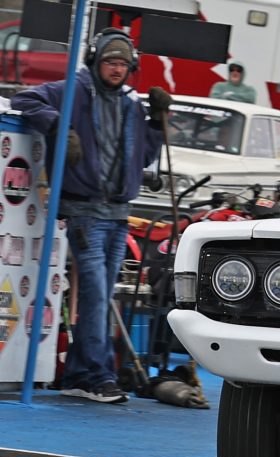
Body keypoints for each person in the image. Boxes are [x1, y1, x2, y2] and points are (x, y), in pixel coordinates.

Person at [11, 28, 168, 404]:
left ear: (131, 68)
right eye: (110, 61)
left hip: (118, 214)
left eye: (123, 64)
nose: (116, 69)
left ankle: (79, 375)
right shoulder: (72, 89)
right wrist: (57, 125)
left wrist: (157, 123)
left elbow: (144, 157)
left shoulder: (131, 104)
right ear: (95, 61)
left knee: (101, 295)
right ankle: (98, 376)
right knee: (97, 295)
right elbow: (23, 99)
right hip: (84, 212)